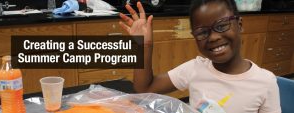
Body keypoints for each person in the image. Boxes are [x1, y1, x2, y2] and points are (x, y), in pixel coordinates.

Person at [118, 0, 281, 113]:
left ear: (239, 25)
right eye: (202, 32)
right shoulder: (194, 68)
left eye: (222, 25)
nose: (213, 37)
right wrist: (142, 46)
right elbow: (144, 89)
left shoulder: (265, 82)